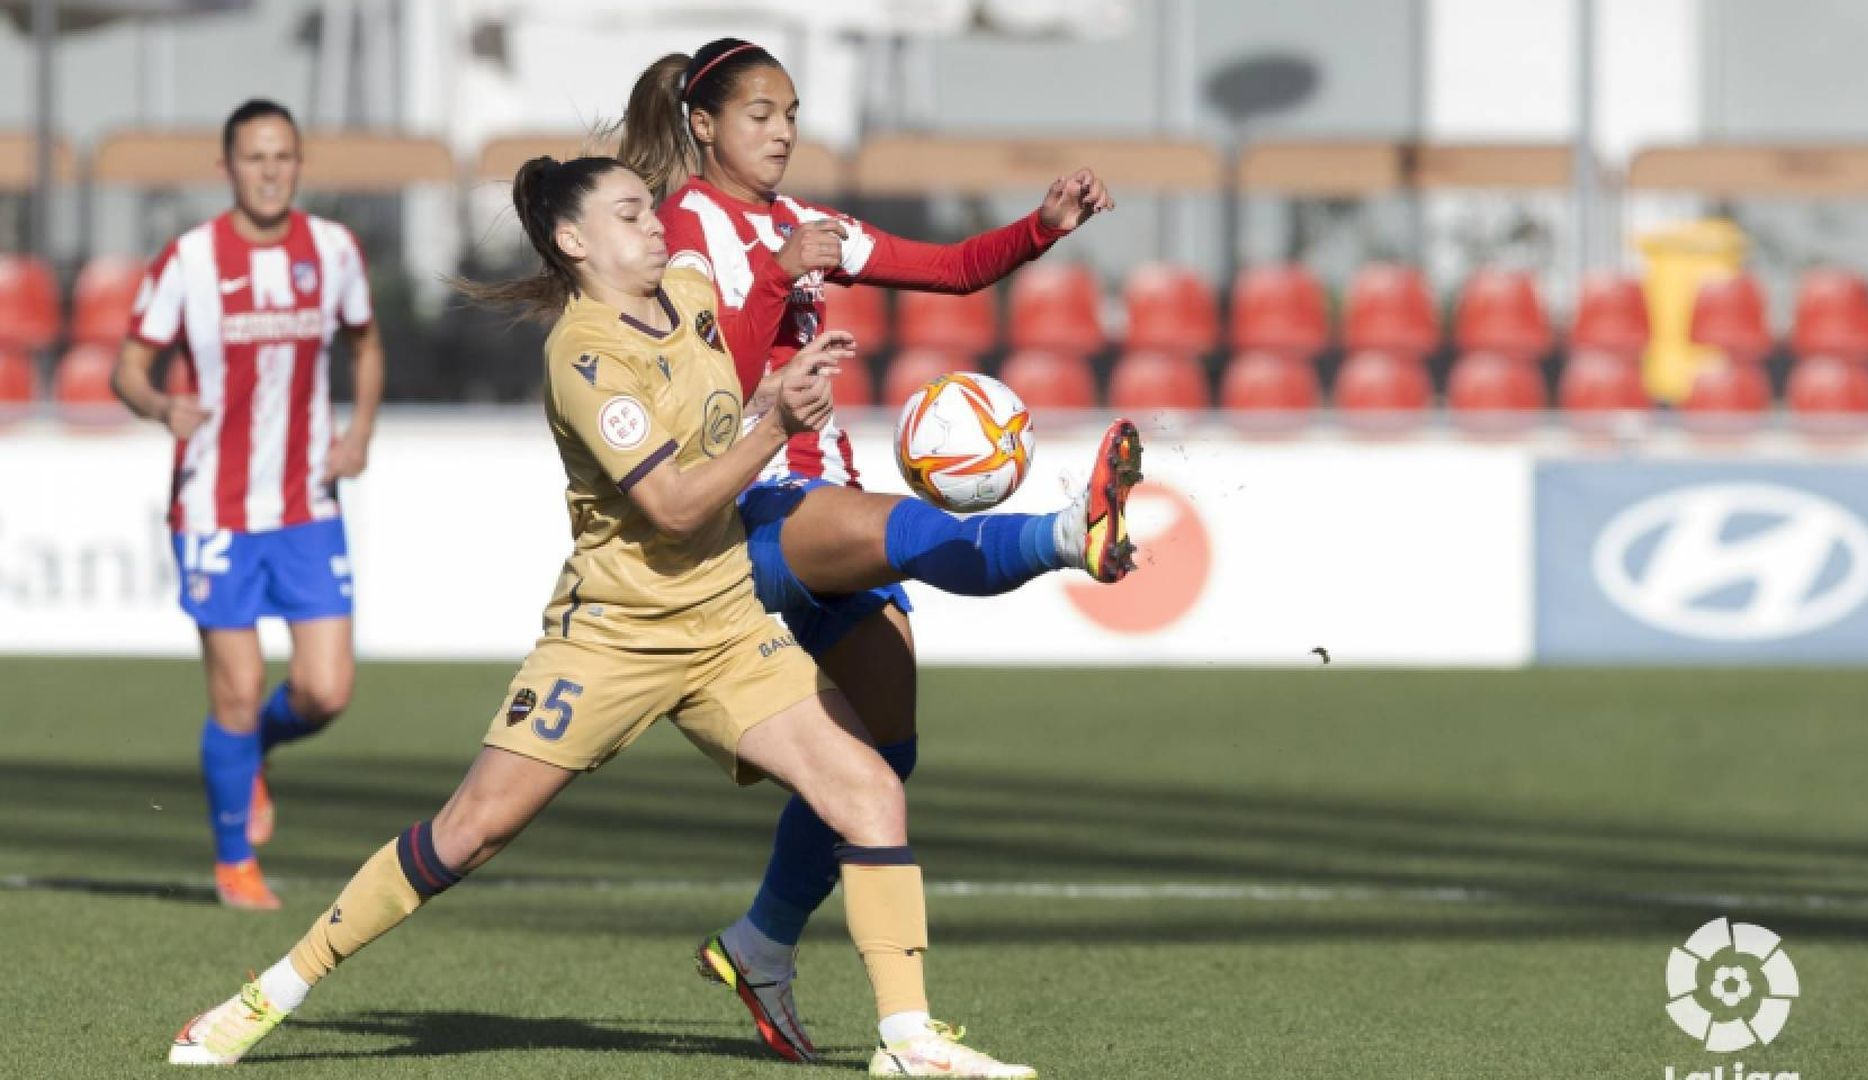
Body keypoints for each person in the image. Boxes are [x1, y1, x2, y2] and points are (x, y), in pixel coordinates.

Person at [166, 155, 1038, 1079]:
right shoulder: (584, 355)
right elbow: (670, 505)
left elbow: (737, 346)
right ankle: (274, 991)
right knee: (470, 833)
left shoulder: (695, 289)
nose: (657, 225)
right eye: (630, 214)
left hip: (727, 625)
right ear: (575, 242)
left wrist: (784, 305)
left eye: (652, 207)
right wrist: (776, 424)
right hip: (612, 640)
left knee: (870, 794)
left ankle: (906, 1040)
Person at [619, 39, 1141, 1063]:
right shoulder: (687, 225)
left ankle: (760, 944)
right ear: (705, 124)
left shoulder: (795, 224)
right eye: (760, 113)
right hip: (752, 500)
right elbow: (698, 365)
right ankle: (1064, 534)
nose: (781, 129)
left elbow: (945, 270)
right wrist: (774, 276)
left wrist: (1043, 227)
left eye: (791, 112)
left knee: (883, 754)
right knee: (900, 535)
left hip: (821, 492)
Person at [110, 99, 385, 911]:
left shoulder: (333, 251)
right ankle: (234, 862)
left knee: (327, 690)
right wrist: (161, 406)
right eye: (255, 157)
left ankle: (252, 749)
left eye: (284, 157)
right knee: (233, 689)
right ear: (225, 167)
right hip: (216, 510)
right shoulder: (188, 260)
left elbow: (366, 344)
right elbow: (129, 367)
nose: (270, 170)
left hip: (307, 500)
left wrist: (361, 428)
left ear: (298, 165)